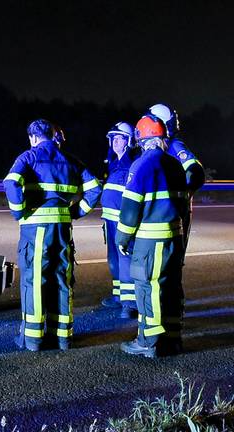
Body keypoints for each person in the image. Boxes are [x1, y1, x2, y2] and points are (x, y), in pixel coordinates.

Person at [4, 119, 102, 351]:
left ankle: (33, 339)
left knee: (35, 280)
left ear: (33, 137)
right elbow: (95, 187)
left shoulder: (28, 157)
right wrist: (76, 212)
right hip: (62, 228)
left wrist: (20, 212)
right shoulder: (70, 159)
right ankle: (62, 337)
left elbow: (11, 183)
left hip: (36, 229)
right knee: (62, 279)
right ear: (52, 135)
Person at [116, 114, 187, 358]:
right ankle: (173, 338)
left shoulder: (141, 165)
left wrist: (122, 240)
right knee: (171, 288)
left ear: (140, 138)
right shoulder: (175, 164)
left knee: (148, 289)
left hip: (150, 241)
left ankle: (149, 341)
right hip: (174, 238)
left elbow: (129, 210)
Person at [148, 103, 205, 254]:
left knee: (172, 258)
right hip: (160, 212)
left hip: (173, 213)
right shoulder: (158, 148)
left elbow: (196, 172)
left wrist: (182, 195)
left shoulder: (174, 146)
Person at [99, 122, 141, 318]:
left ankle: (129, 304)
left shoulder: (132, 162)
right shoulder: (114, 163)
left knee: (125, 259)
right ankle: (118, 297)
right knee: (114, 259)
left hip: (123, 221)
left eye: (119, 138)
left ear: (129, 141)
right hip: (109, 220)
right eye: (112, 138)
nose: (114, 142)